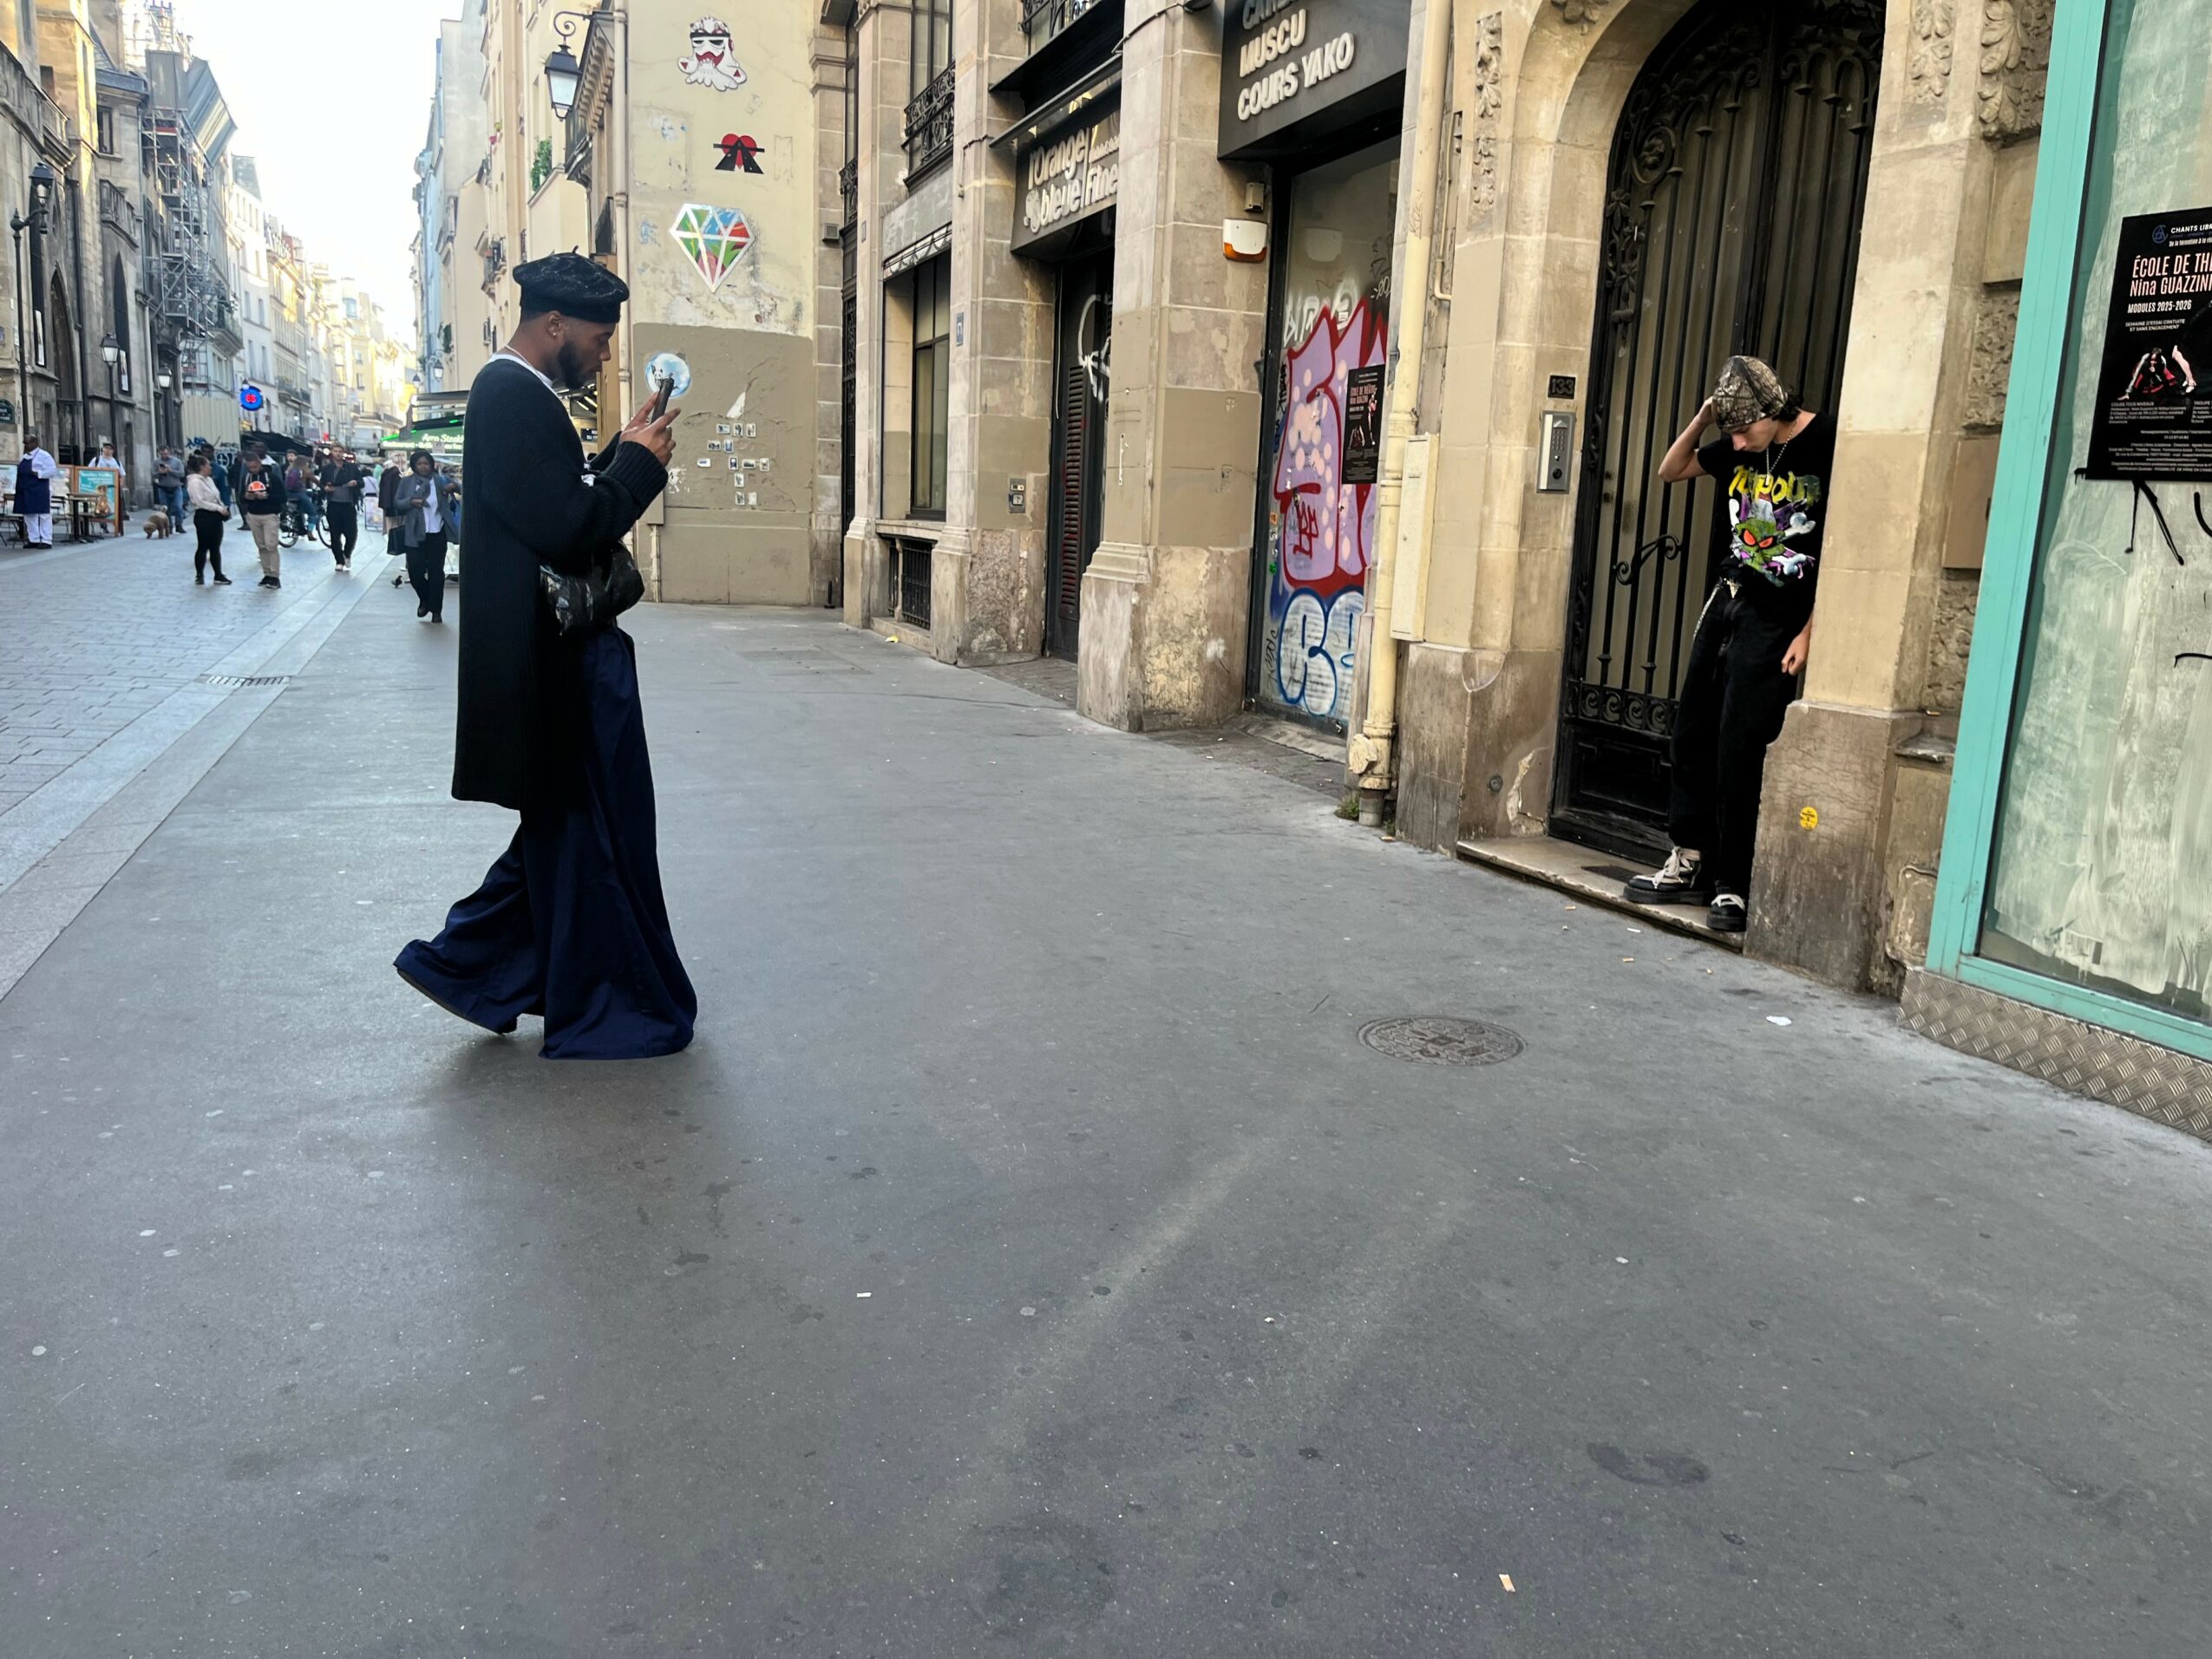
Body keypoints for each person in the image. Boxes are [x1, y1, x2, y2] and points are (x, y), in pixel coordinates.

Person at [395, 251, 690, 1061]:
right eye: (596, 340)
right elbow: (568, 528)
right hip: (555, 667)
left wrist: (612, 456)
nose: (602, 355)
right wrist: (637, 469)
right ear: (553, 324)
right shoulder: (509, 394)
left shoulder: (520, 395)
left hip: (555, 662)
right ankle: (597, 998)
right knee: (592, 832)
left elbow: (548, 505)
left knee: (569, 834)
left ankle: (466, 967)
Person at [1626, 356, 1833, 934]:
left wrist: (1811, 630)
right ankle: (1687, 857)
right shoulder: (1739, 442)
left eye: (1745, 430)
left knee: (1742, 741)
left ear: (1775, 411)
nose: (1738, 443)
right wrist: (1703, 417)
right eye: (1732, 432)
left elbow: (1848, 544)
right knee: (1692, 726)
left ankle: (1732, 884)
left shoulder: (1827, 443)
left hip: (1780, 610)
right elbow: (1672, 469)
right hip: (1729, 598)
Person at [390, 448, 458, 622]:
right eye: (420, 464)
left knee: (437, 573)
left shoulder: (439, 480)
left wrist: (454, 486)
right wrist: (411, 501)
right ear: (414, 465)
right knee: (415, 571)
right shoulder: (406, 482)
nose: (423, 467)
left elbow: (460, 487)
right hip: (415, 534)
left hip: (437, 533)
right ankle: (425, 599)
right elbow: (397, 502)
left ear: (432, 464)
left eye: (426, 463)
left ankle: (436, 611)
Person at [237, 445, 288, 588]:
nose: (252, 469)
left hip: (270, 515)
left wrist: (266, 496)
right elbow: (241, 497)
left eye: (254, 466)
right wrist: (247, 497)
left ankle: (275, 576)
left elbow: (283, 497)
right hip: (253, 515)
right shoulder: (247, 478)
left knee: (271, 545)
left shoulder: (272, 477)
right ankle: (267, 574)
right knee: (261, 546)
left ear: (260, 463)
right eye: (250, 467)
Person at [184, 452, 232, 585]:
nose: (210, 467)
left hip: (216, 516)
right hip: (204, 516)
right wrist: (218, 508)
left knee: (215, 546)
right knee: (203, 546)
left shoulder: (209, 480)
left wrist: (223, 508)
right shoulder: (194, 482)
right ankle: (200, 574)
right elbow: (200, 501)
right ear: (201, 467)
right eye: (208, 465)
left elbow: (217, 496)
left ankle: (218, 574)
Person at [321, 448, 364, 571]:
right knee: (335, 534)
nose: (338, 453)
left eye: (340, 451)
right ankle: (339, 560)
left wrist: (356, 482)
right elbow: (322, 484)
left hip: (349, 504)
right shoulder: (327, 469)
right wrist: (325, 488)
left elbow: (361, 482)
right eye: (335, 451)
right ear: (332, 453)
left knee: (351, 533)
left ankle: (347, 553)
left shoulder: (352, 468)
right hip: (333, 504)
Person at [15, 432, 56, 546]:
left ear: (35, 443)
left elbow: (52, 471)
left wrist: (38, 473)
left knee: (43, 514)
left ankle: (46, 540)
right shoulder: (25, 456)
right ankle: (34, 539)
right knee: (29, 514)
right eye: (25, 444)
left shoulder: (44, 456)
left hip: (40, 489)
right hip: (27, 489)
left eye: (27, 443)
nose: (26, 446)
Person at [154, 447, 185, 522]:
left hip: (176, 487)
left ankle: (179, 524)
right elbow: (153, 474)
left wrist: (171, 470)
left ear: (169, 452)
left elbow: (182, 474)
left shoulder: (177, 462)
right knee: (165, 509)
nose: (164, 456)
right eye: (162, 454)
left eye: (166, 454)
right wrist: (160, 473)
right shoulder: (156, 462)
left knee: (178, 507)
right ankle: (169, 526)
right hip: (163, 487)